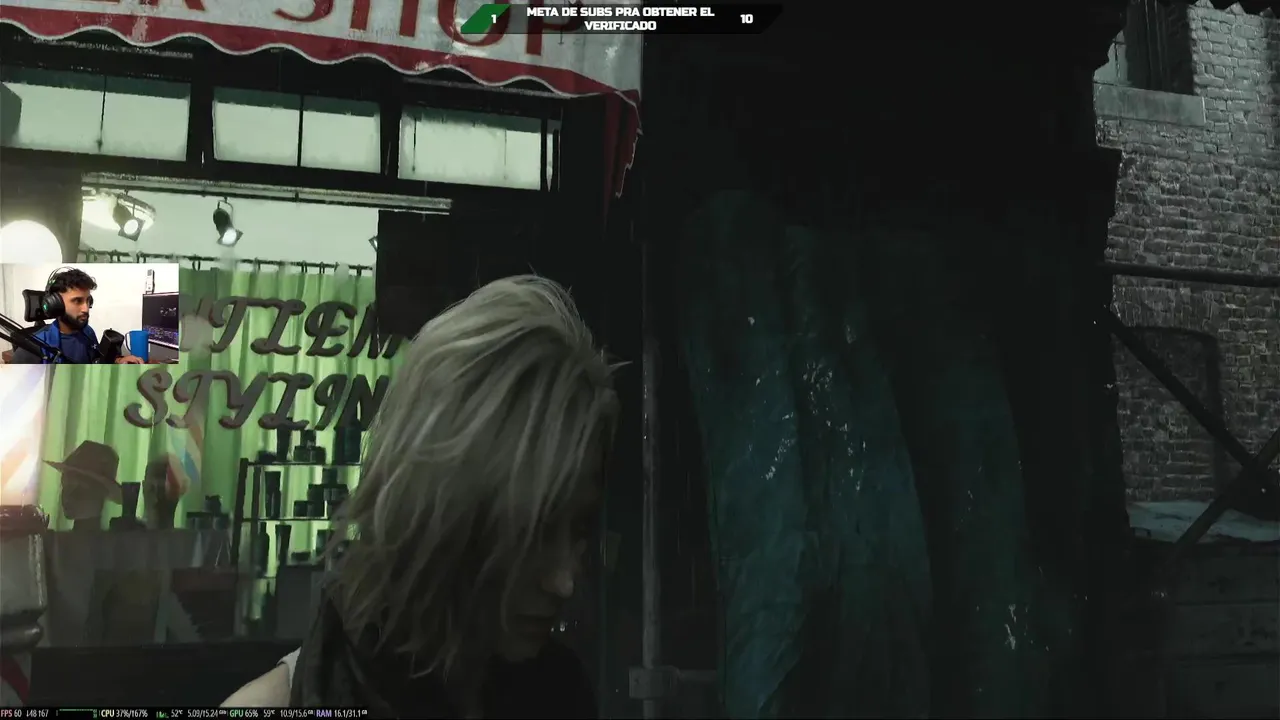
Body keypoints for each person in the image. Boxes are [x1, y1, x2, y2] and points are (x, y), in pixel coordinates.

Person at [223, 275, 618, 718]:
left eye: (579, 529)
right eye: (535, 532)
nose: (565, 581)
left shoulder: (561, 695)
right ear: (439, 512)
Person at [8, 268, 142, 364]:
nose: (86, 309)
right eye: (77, 301)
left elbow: (96, 361)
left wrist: (118, 360)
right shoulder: (33, 348)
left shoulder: (87, 332)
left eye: (88, 301)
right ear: (55, 304)